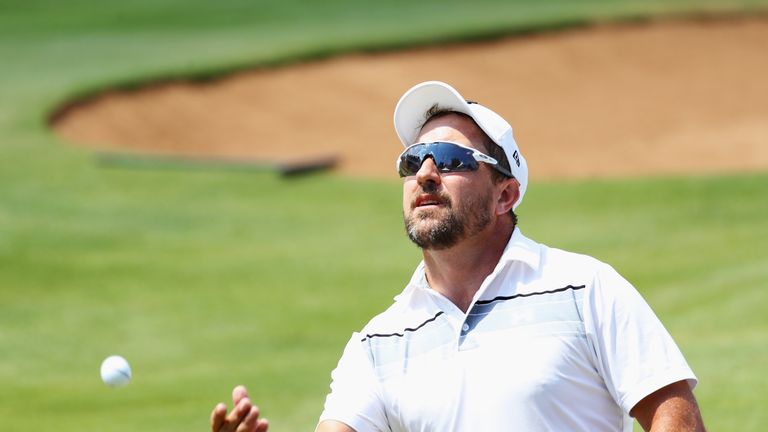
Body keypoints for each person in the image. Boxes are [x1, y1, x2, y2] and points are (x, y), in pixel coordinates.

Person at [211, 81, 706, 432]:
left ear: (504, 195)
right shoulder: (380, 342)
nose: (425, 174)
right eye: (412, 160)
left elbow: (670, 409)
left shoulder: (584, 288)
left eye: (451, 161)